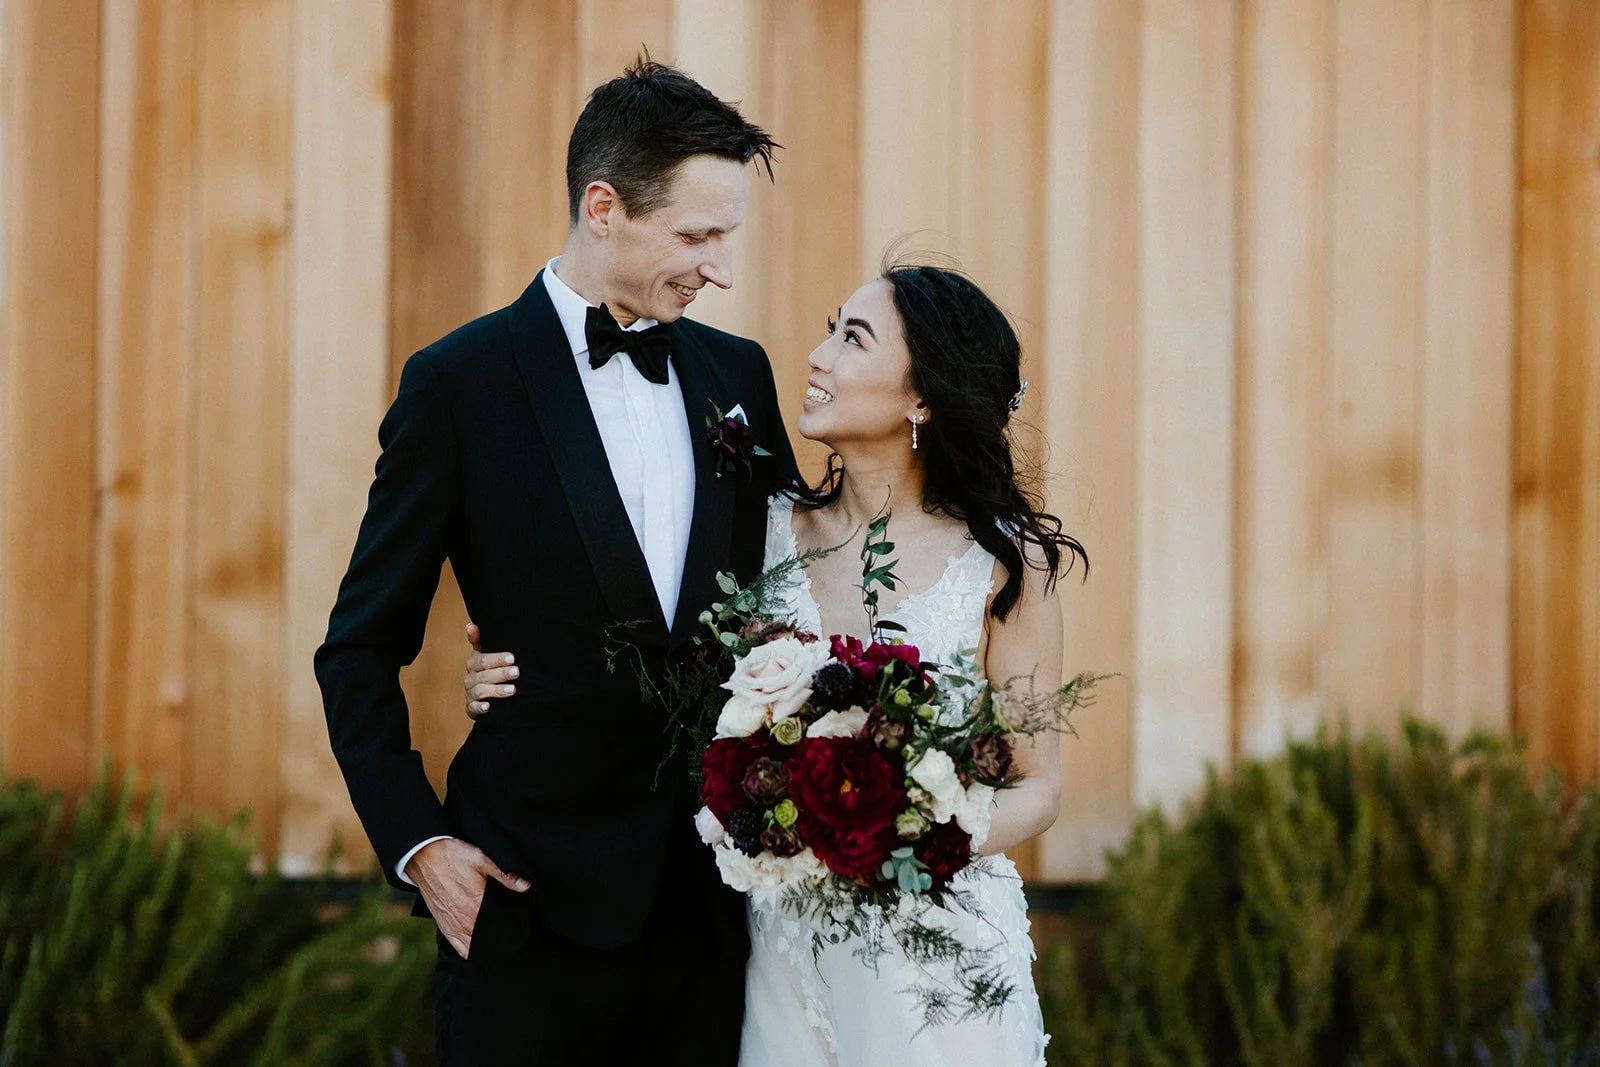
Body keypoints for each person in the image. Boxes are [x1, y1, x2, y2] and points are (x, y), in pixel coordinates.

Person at [468, 262, 1086, 1065]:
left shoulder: (1006, 563)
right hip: (782, 950)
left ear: (922, 397)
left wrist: (914, 840)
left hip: (938, 951)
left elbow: (1038, 784)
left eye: (852, 339)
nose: (817, 355)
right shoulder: (757, 532)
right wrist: (504, 669)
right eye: (831, 327)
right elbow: (635, 646)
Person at [314, 58, 792, 1065]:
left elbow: (789, 592)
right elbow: (357, 647)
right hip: (525, 908)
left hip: (712, 913)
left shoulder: (736, 374)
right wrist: (420, 846)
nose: (721, 268)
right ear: (604, 206)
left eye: (727, 236)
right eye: (698, 236)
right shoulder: (459, 384)